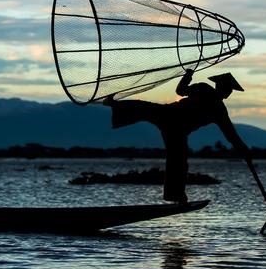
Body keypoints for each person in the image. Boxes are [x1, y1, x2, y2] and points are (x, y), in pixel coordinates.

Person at [104, 70, 254, 203]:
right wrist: (187, 77)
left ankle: (175, 195)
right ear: (219, 86)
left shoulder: (219, 110)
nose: (228, 92)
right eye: (227, 88)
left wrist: (244, 152)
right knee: (144, 108)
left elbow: (231, 135)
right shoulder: (204, 90)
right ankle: (113, 104)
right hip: (170, 115)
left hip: (177, 130)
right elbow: (181, 91)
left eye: (230, 90)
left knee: (178, 161)